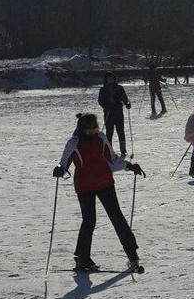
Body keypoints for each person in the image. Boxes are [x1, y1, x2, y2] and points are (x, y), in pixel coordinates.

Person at [52, 113, 146, 273]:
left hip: (105, 183)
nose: (91, 132)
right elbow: (65, 164)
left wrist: (129, 166)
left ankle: (133, 256)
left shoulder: (101, 138)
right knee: (89, 221)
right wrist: (60, 170)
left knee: (117, 217)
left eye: (93, 129)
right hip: (84, 186)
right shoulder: (73, 143)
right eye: (88, 130)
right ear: (81, 129)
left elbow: (113, 159)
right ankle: (83, 259)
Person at [97, 72, 131, 155]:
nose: (110, 80)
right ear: (106, 79)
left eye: (112, 78)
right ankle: (109, 148)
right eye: (109, 78)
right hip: (108, 113)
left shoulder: (120, 88)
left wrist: (127, 103)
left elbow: (124, 97)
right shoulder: (103, 89)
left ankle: (123, 148)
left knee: (120, 131)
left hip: (118, 112)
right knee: (109, 132)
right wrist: (106, 106)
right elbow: (100, 101)